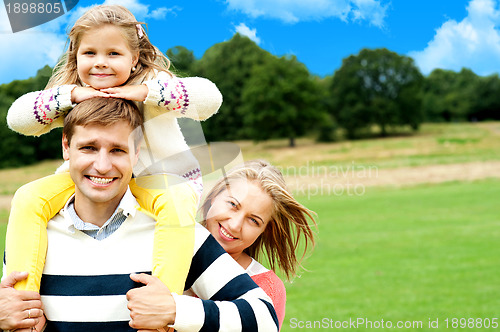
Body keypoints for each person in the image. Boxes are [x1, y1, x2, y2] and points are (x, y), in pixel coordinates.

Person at [1, 97, 278, 332]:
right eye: (88, 147)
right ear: (66, 147)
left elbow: (266, 318)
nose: (102, 164)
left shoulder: (179, 233)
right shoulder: (34, 235)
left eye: (118, 150)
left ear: (136, 154)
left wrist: (176, 311)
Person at [5, 4, 222, 296]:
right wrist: (70, 95)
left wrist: (147, 93)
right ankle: (22, 298)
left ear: (134, 59)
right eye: (90, 53)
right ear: (76, 56)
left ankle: (163, 299)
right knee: (28, 197)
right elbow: (17, 119)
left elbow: (211, 99)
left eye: (113, 53)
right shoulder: (73, 94)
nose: (100, 63)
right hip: (91, 180)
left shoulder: (152, 86)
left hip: (159, 180)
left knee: (177, 199)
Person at [196, 159, 317, 330]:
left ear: (266, 230)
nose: (235, 225)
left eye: (253, 220)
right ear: (214, 197)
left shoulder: (266, 288)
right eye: (232, 204)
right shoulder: (160, 245)